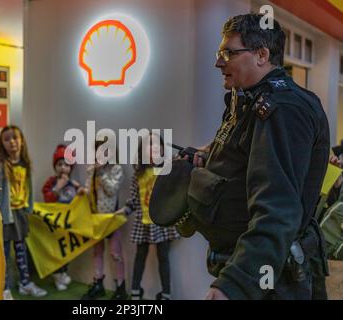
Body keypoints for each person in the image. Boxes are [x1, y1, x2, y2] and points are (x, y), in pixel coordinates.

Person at [178, 14, 330, 300]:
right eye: (219, 53)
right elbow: (242, 156)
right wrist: (205, 156)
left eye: (228, 53)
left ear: (262, 55)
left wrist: (234, 284)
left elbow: (278, 209)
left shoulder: (282, 110)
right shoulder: (248, 99)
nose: (218, 62)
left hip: (272, 282)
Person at [122, 132, 180, 300]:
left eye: (157, 145)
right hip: (143, 223)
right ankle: (135, 292)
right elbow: (133, 200)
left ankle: (166, 294)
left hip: (162, 222)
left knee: (164, 258)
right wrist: (121, 212)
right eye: (149, 145)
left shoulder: (166, 169)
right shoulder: (138, 175)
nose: (154, 148)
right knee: (140, 257)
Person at [0, 125, 47, 300]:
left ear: (21, 141)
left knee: (21, 250)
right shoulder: (0, 166)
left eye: (15, 138)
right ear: (2, 144)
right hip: (5, 216)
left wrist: (28, 209)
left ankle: (25, 283)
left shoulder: (25, 165)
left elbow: (28, 189)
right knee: (5, 254)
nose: (12, 142)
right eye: (6, 139)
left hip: (20, 214)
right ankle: (4, 288)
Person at [81, 140, 127, 300]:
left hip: (111, 218)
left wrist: (101, 174)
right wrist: (82, 191)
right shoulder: (91, 169)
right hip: (96, 217)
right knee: (97, 252)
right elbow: (88, 190)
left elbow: (111, 189)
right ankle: (98, 282)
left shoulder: (116, 169)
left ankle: (121, 286)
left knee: (116, 253)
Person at [42, 144, 86, 290]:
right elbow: (47, 198)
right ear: (55, 166)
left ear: (71, 167)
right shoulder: (51, 182)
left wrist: (80, 190)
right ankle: (57, 273)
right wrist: (57, 187)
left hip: (69, 224)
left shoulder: (73, 183)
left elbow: (81, 194)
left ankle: (61, 275)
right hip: (55, 224)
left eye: (66, 164)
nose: (63, 167)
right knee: (57, 250)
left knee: (67, 250)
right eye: (59, 164)